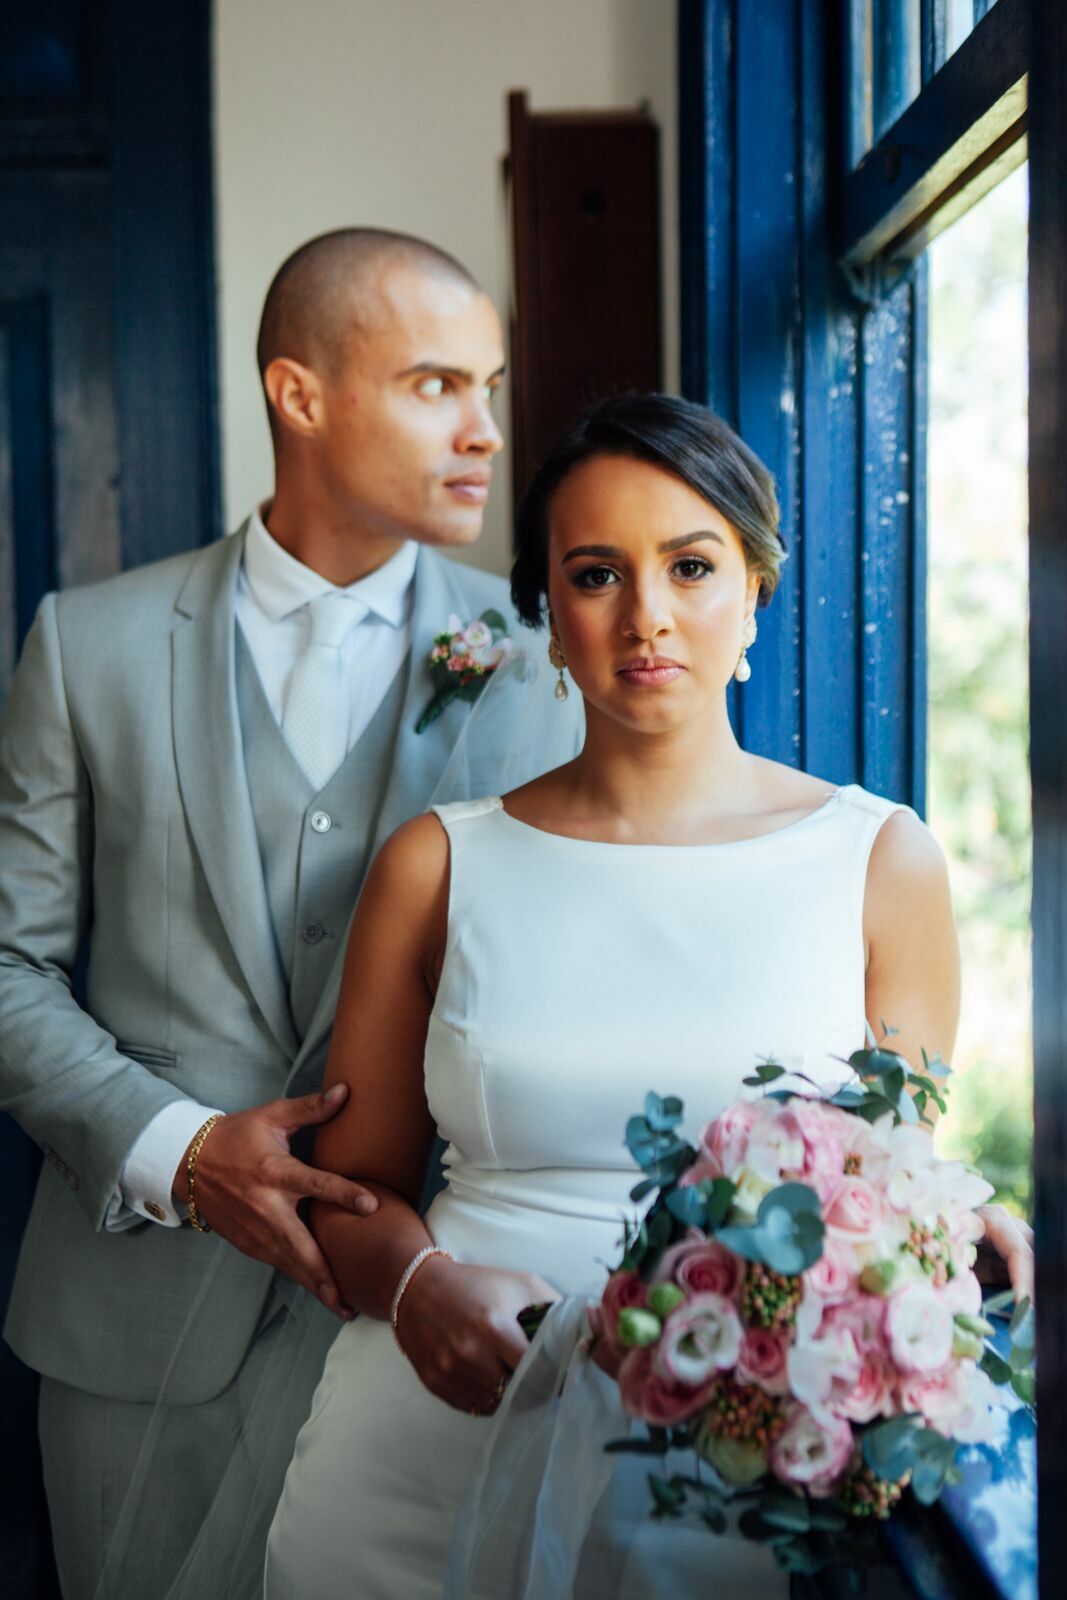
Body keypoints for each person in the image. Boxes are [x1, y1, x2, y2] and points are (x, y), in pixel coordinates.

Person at [265, 392, 1034, 1598]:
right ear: (546, 615)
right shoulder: (436, 862)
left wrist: (953, 1227)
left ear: (753, 591)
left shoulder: (880, 860)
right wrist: (417, 1291)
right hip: (429, 1448)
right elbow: (350, 1191)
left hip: (731, 1473)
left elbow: (879, 1189)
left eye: (689, 564)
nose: (647, 616)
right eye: (595, 573)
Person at [0, 227, 579, 1600]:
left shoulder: (543, 669)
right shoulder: (86, 647)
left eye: (489, 389)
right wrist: (179, 1149)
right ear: (299, 395)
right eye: (436, 385)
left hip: (434, 1329)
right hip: (131, 1341)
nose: (484, 433)